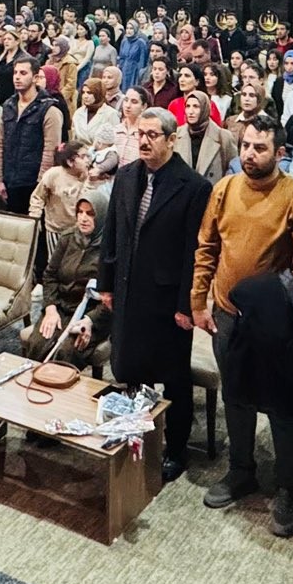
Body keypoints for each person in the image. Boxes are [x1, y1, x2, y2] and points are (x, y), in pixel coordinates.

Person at [191, 114, 293, 535]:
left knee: (282, 407)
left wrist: (268, 299)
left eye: (259, 147)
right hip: (226, 315)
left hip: (275, 323)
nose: (249, 153)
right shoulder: (224, 189)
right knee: (236, 396)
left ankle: (286, 488)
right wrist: (198, 301)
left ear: (280, 152)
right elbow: (207, 246)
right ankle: (241, 470)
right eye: (245, 145)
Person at [101, 108, 211, 482]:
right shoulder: (128, 175)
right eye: (140, 134)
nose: (144, 141)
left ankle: (176, 448)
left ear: (171, 139)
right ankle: (135, 434)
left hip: (168, 301)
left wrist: (187, 305)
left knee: (173, 378)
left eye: (152, 135)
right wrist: (105, 283)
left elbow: (194, 253)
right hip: (128, 289)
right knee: (131, 367)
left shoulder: (194, 186)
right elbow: (113, 232)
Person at [24, 189, 109, 367]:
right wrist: (50, 309)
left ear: (101, 216)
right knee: (38, 344)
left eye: (90, 214)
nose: (83, 218)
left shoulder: (110, 248)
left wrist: (90, 320)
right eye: (80, 212)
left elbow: (112, 296)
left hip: (91, 313)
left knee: (67, 352)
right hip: (61, 307)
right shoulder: (68, 238)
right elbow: (50, 276)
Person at [0, 57, 63, 216]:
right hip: (10, 180)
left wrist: (42, 185)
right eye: (15, 73)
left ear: (35, 78)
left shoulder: (49, 109)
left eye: (23, 73)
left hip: (33, 182)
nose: (17, 77)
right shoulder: (8, 106)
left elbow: (50, 151)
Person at [174, 89, 231, 182]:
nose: (190, 111)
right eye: (188, 106)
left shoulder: (223, 137)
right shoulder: (177, 135)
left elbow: (232, 171)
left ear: (205, 108)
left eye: (196, 106)